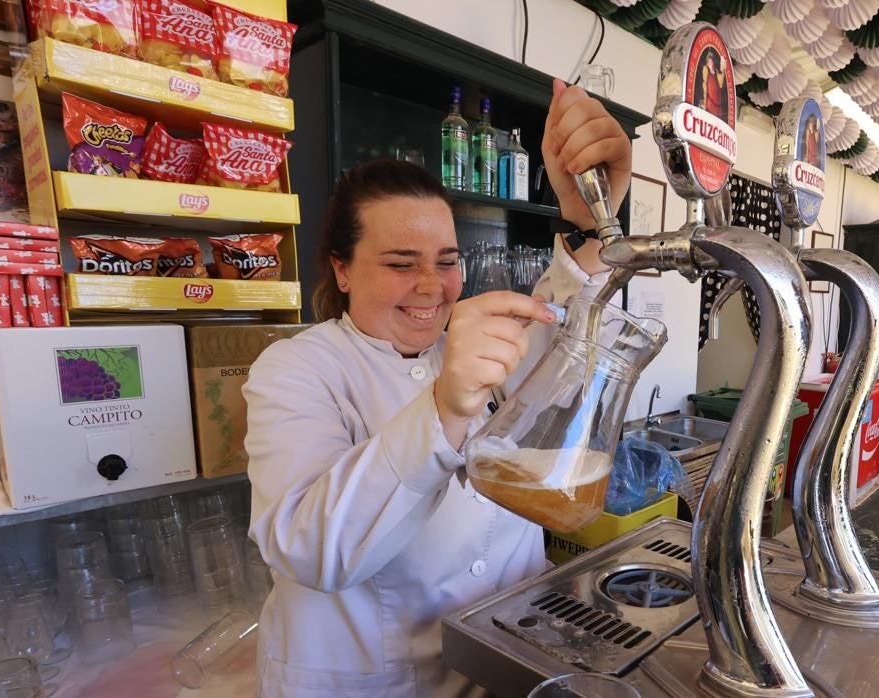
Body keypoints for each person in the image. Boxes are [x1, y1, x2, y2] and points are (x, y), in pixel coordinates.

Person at [242, 79, 632, 696]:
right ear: (341, 269)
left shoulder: (474, 342)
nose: (431, 286)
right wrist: (444, 412)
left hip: (504, 656)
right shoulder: (295, 369)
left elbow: (571, 339)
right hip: (376, 682)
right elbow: (309, 550)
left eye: (447, 261)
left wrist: (586, 221)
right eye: (401, 263)